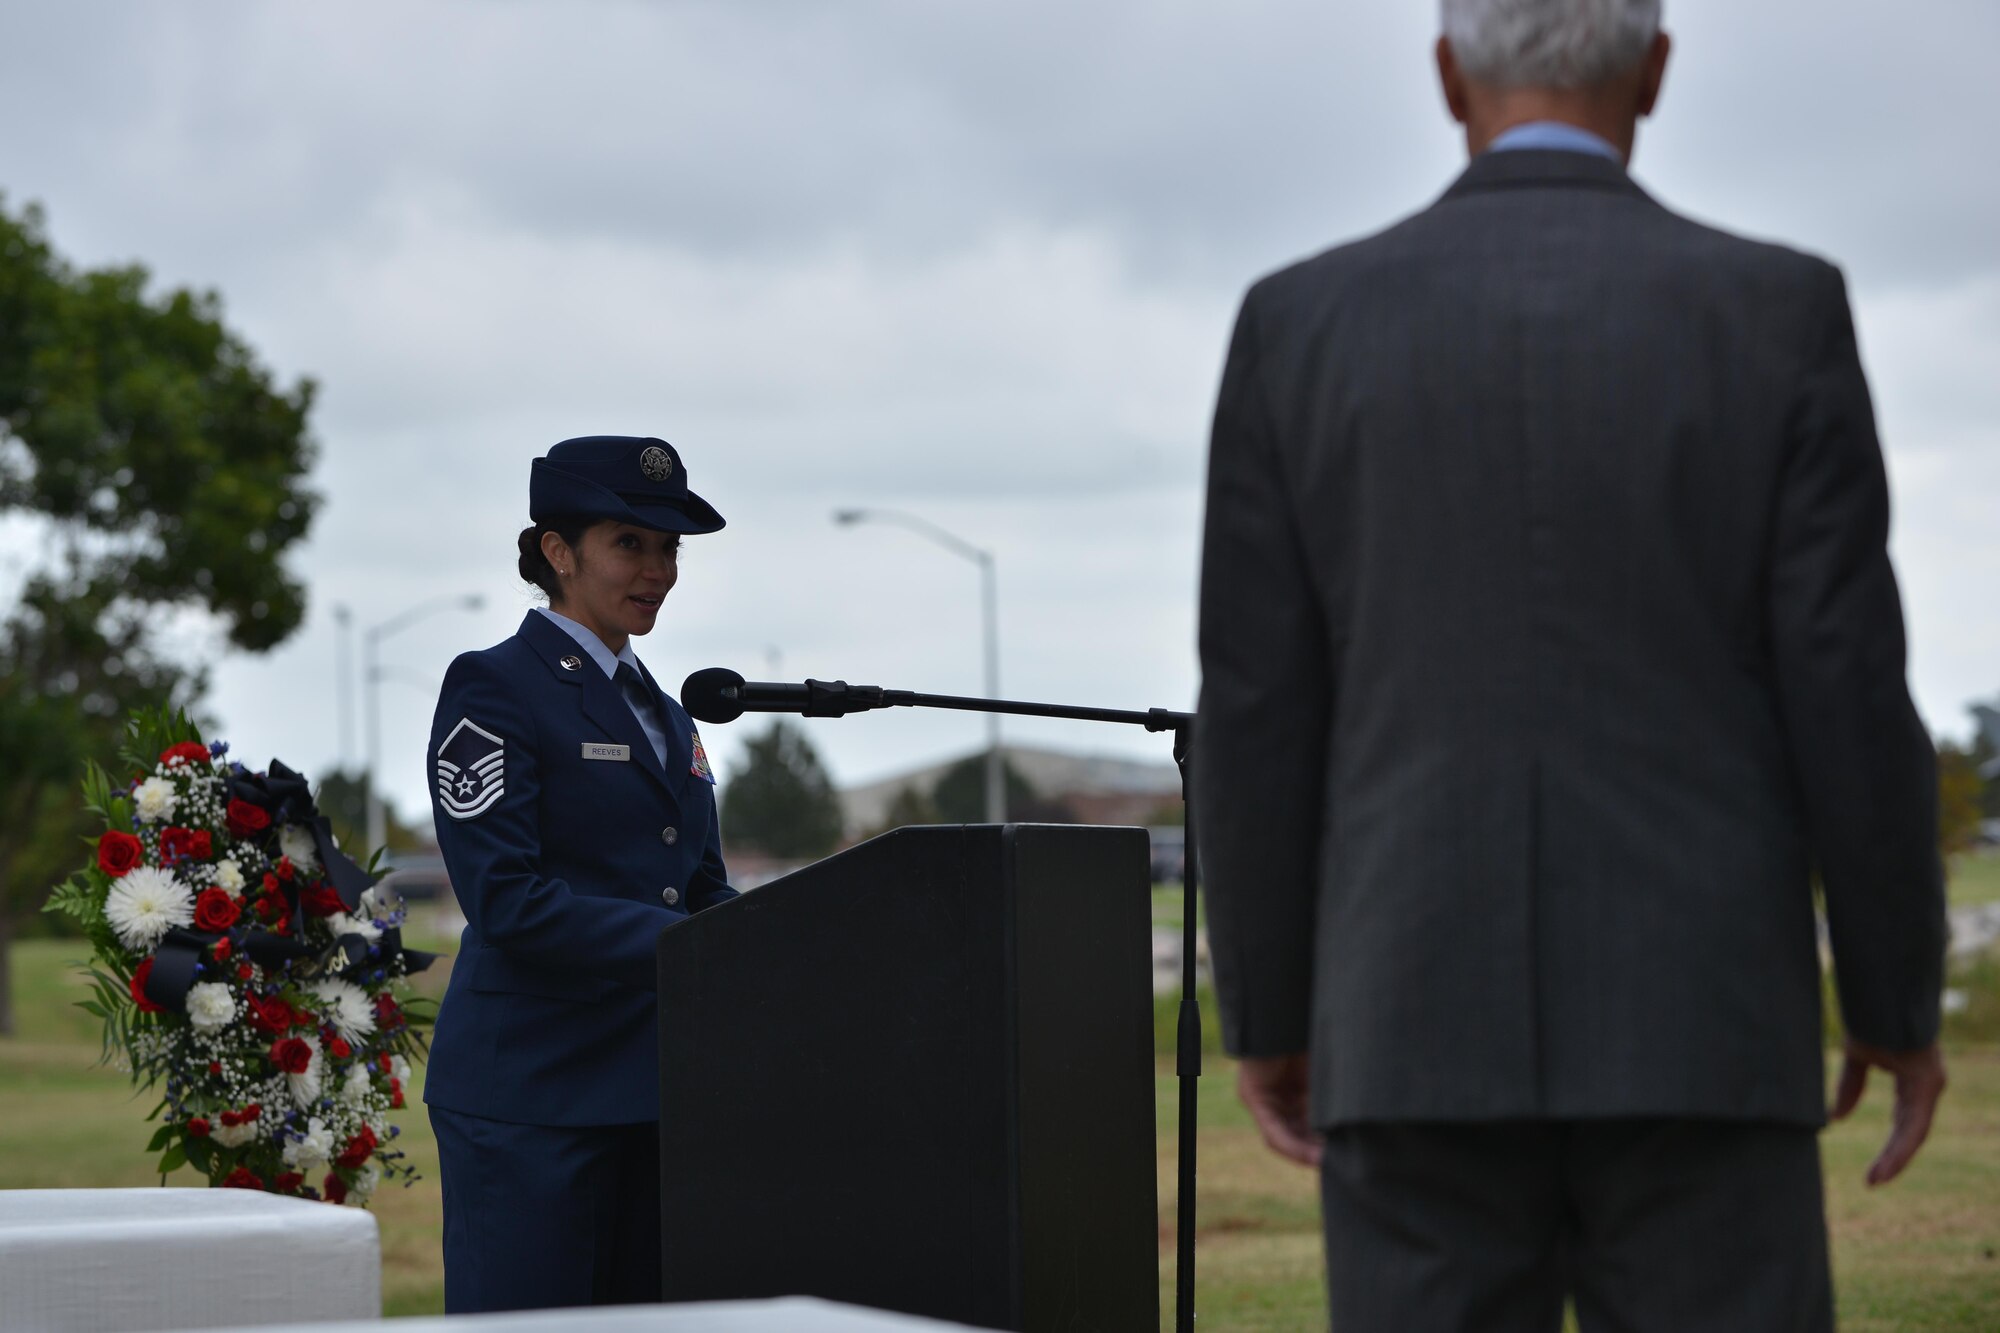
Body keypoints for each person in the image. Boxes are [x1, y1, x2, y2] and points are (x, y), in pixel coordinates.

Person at [1192, 2, 1948, 1328]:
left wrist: (1270, 1010)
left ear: (1446, 78)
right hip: (1701, 1026)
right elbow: (1846, 685)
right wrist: (1892, 994)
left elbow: (1257, 707)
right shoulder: (1779, 312)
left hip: (1410, 1019)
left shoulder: (1297, 324)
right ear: (1656, 73)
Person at [424, 435, 738, 1313]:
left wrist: (766, 936)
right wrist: (697, 943)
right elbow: (507, 901)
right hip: (531, 1099)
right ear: (557, 553)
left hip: (652, 1095)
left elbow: (700, 884)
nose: (659, 569)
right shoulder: (494, 687)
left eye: (669, 547)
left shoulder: (668, 714)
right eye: (630, 543)